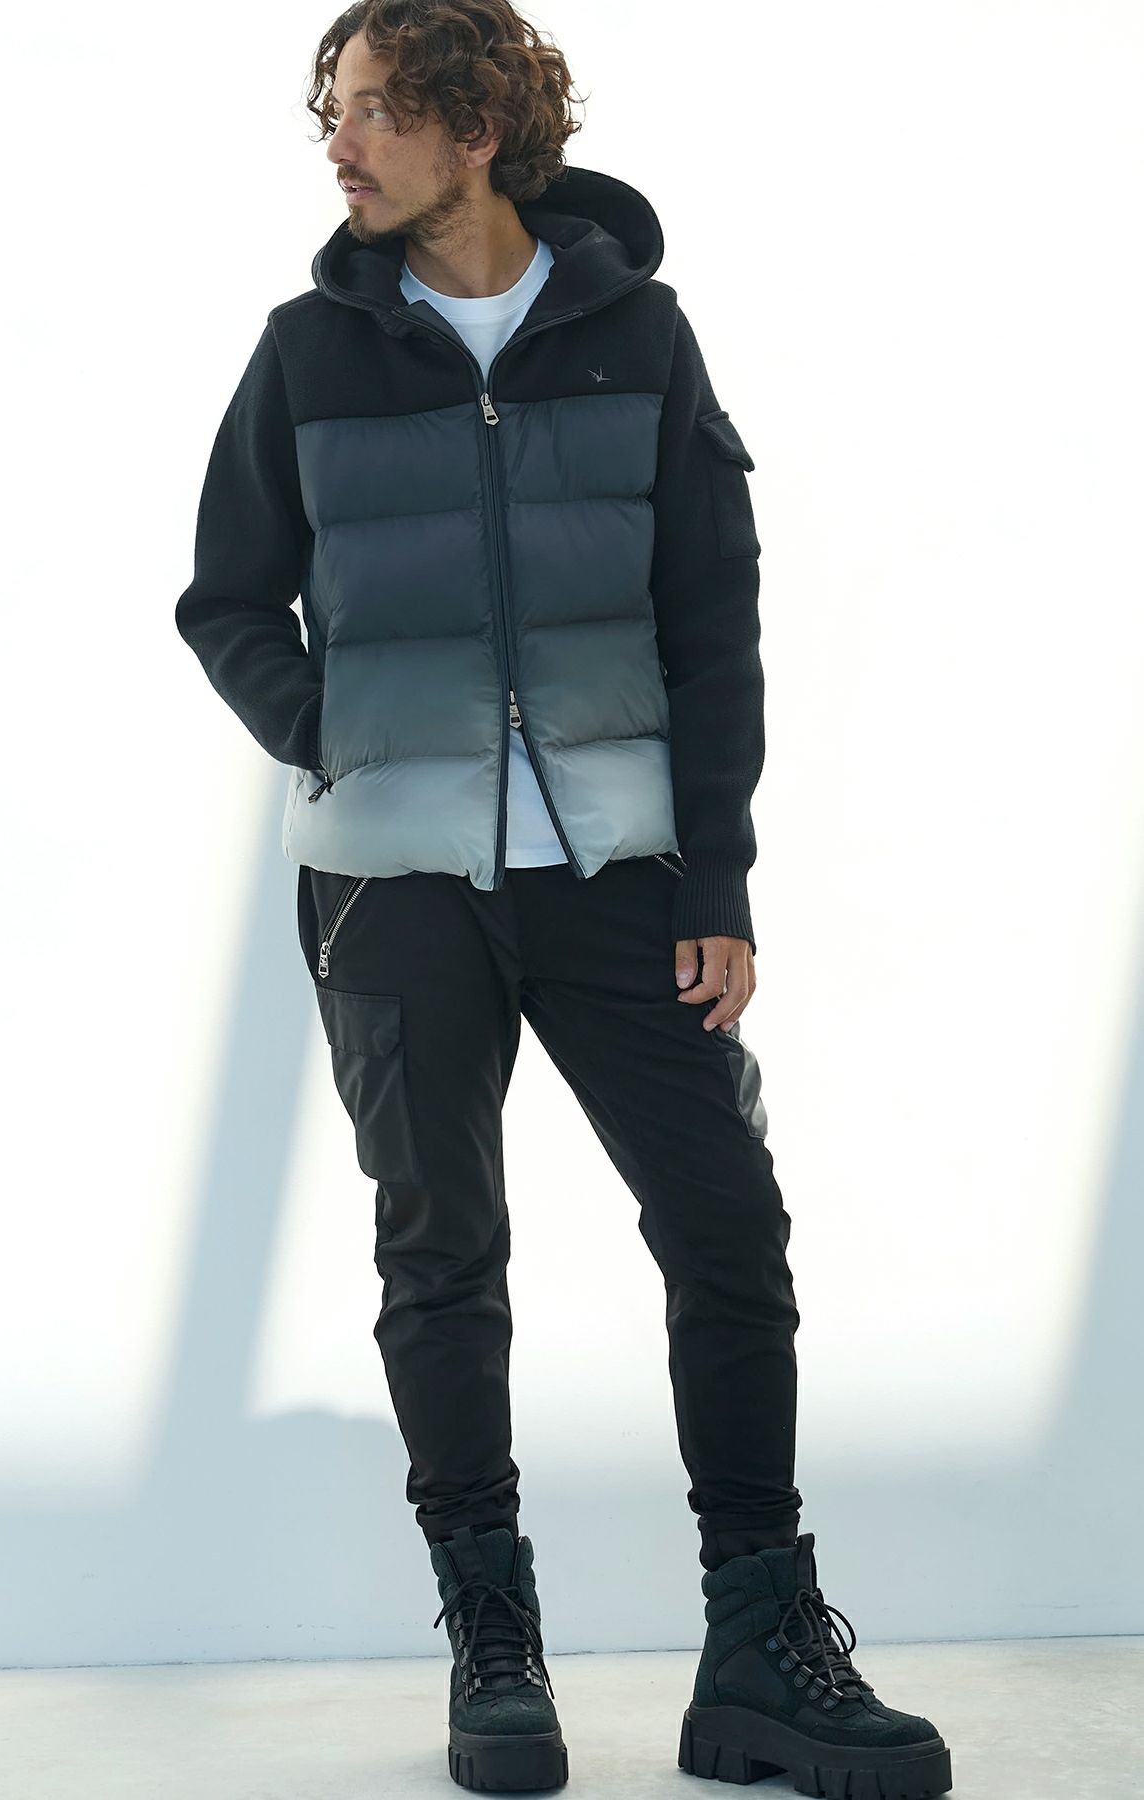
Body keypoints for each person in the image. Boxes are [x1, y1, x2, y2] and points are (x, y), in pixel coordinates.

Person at [175, 2, 952, 1794]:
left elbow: (712, 618)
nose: (342, 145)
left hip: (621, 873)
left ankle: (760, 1647)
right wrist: (338, 729)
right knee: (443, 1254)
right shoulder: (308, 352)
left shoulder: (637, 337)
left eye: (380, 111)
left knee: (727, 1230)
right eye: (335, 111)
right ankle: (496, 1647)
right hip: (391, 889)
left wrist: (719, 876)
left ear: (478, 129)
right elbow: (226, 599)